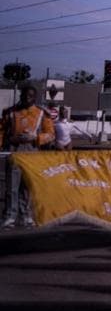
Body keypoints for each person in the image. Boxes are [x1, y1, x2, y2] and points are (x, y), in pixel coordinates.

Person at [2, 86, 55, 229]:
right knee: (11, 186)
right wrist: (8, 141)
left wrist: (36, 138)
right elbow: (1, 132)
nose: (27, 98)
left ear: (35, 97)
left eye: (30, 96)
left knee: (27, 186)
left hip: (32, 151)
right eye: (24, 95)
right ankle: (9, 216)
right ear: (20, 95)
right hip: (15, 150)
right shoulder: (10, 112)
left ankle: (26, 215)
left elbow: (50, 134)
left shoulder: (41, 113)